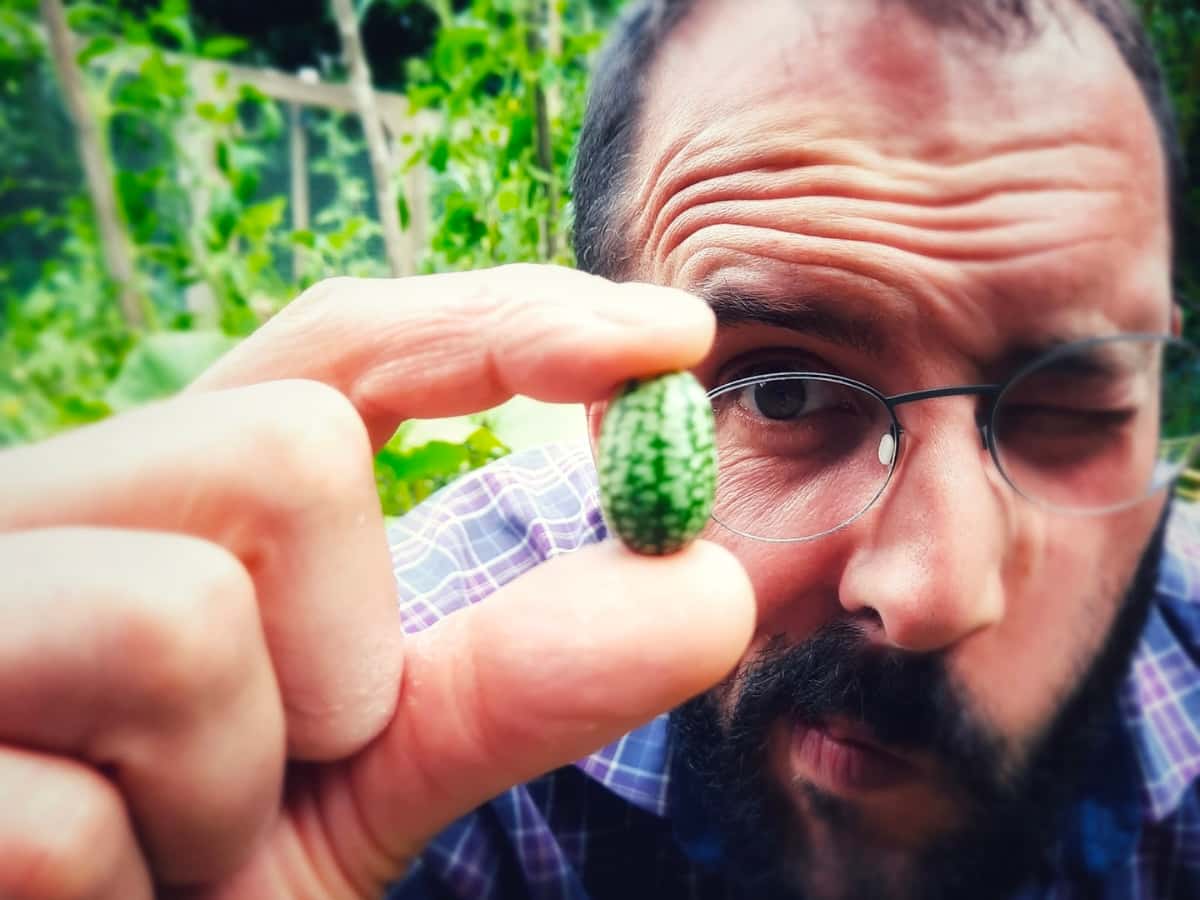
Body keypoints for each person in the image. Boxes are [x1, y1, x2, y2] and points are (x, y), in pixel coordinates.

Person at [0, 0, 1196, 897]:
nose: (934, 591)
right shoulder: (386, 719)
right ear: (597, 406)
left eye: (1069, 410)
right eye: (780, 394)